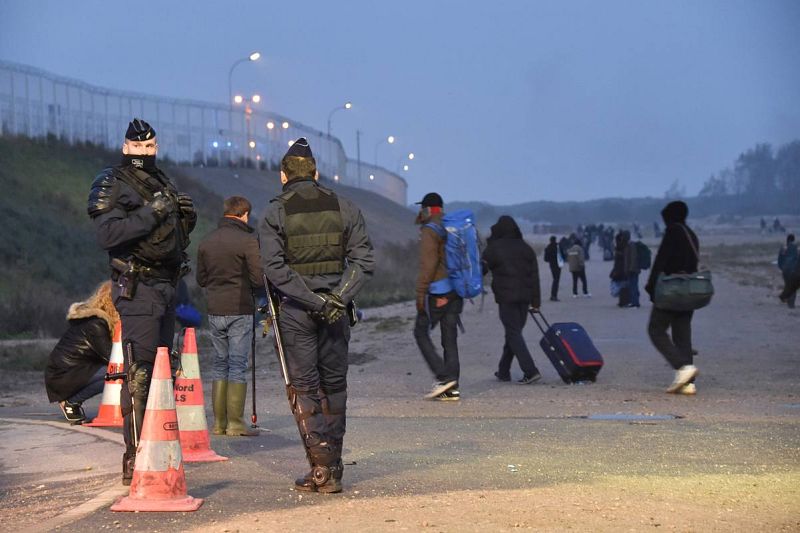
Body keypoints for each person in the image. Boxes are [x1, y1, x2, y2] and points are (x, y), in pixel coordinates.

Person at [261, 138, 374, 494]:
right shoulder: (345, 207)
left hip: (297, 311)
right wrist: (337, 299)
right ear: (316, 172)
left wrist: (311, 299)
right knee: (335, 385)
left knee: (306, 387)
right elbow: (363, 261)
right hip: (336, 311)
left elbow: (274, 269)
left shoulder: (274, 212)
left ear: (283, 176)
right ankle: (334, 467)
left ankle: (321, 467)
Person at [87, 118, 196, 484]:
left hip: (167, 286)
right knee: (140, 374)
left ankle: (157, 449)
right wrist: (155, 212)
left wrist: (184, 219)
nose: (144, 153)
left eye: (150, 147)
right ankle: (134, 458)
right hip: (138, 288)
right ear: (125, 147)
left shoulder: (162, 180)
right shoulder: (111, 181)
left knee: (163, 375)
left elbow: (168, 238)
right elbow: (108, 234)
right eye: (138, 148)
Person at [197, 196, 263, 436]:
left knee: (219, 364)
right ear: (244, 214)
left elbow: (201, 279)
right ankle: (235, 423)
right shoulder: (248, 241)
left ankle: (218, 424)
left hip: (215, 309)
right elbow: (258, 278)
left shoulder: (206, 241)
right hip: (239, 309)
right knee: (237, 364)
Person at [45, 281, 121, 425]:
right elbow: (111, 358)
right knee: (114, 373)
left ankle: (72, 400)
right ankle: (71, 402)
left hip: (66, 371)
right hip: (63, 375)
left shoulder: (94, 320)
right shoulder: (96, 325)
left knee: (115, 372)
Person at [413, 192, 464, 401]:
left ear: (428, 209)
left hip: (438, 292)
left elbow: (429, 265)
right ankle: (452, 387)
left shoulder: (430, 230)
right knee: (449, 339)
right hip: (456, 291)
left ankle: (443, 377)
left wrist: (420, 293)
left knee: (420, 332)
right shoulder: (454, 227)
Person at [645, 200, 699, 395]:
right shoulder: (690, 234)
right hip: (689, 291)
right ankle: (688, 383)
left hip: (670, 291)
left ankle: (682, 368)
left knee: (655, 329)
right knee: (682, 335)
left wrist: (651, 288)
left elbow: (661, 261)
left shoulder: (673, 232)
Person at [481, 216, 543, 384]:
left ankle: (530, 371)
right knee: (514, 333)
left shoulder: (494, 248)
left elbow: (481, 270)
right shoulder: (526, 249)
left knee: (513, 333)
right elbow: (534, 277)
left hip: (506, 297)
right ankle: (503, 371)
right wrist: (536, 302)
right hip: (524, 298)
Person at [777, 234, 798, 309]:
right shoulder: (796, 248)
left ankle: (788, 300)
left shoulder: (783, 248)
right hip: (793, 270)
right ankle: (791, 304)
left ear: (787, 240)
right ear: (793, 239)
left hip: (785, 270)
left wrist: (782, 268)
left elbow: (779, 260)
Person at [543, 235, 561, 301]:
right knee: (556, 280)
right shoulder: (557, 247)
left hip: (552, 265)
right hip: (558, 265)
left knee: (555, 279)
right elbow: (561, 255)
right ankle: (554, 295)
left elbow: (545, 259)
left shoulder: (548, 248)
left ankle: (553, 295)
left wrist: (551, 259)